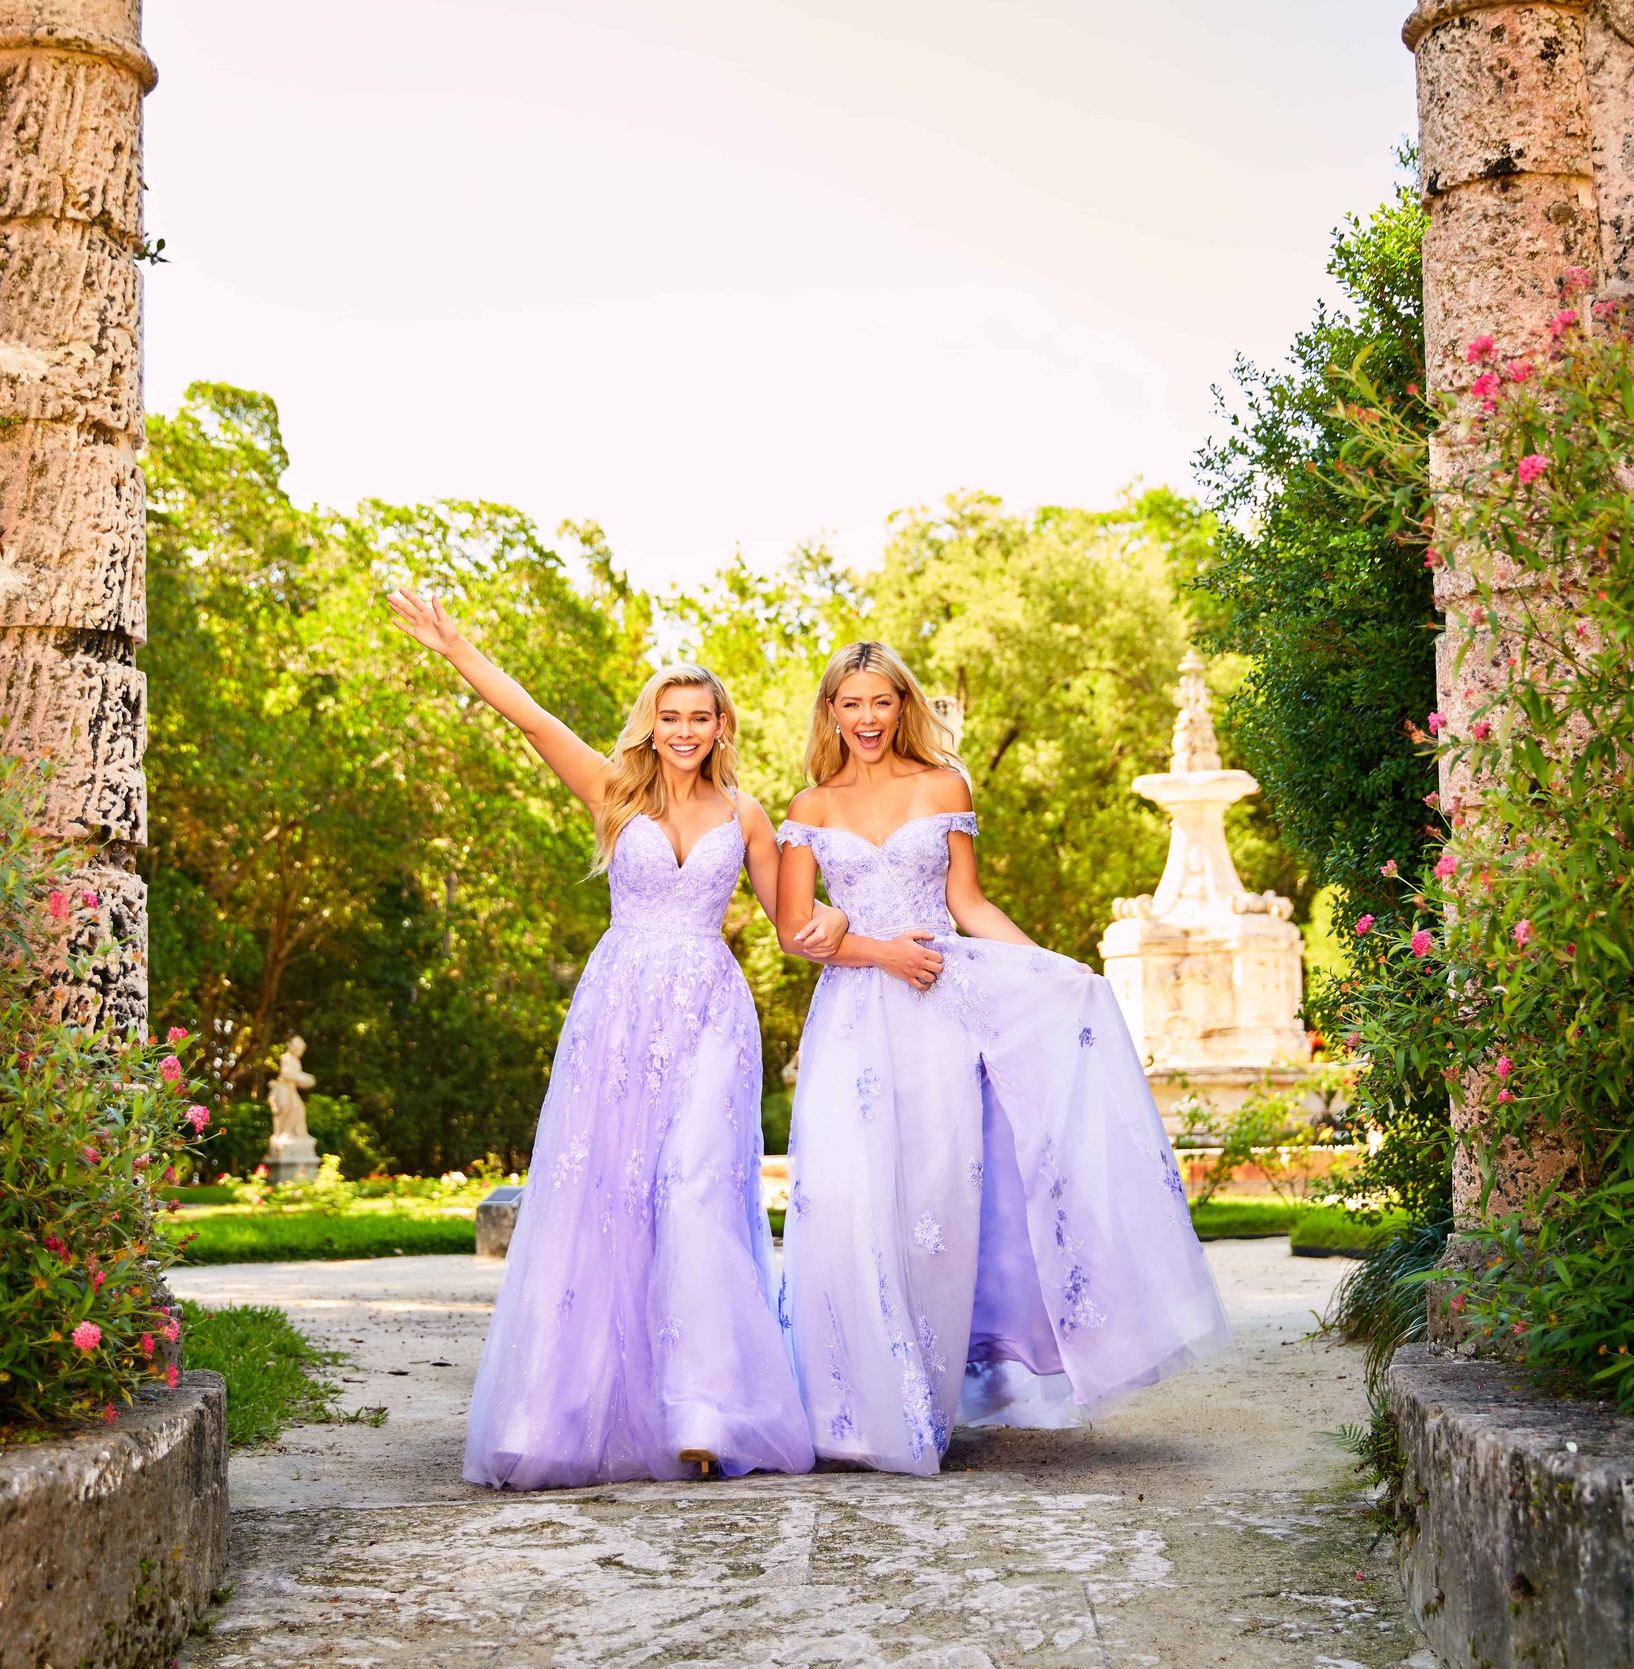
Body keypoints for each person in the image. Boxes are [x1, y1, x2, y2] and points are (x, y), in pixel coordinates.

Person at [386, 589, 846, 1489]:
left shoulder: (749, 815)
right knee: (609, 1196)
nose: (683, 730)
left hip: (713, 1012)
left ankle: (706, 1414)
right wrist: (453, 642)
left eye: (699, 716)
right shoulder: (612, 790)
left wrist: (854, 921)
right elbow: (524, 713)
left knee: (695, 1191)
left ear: (721, 725)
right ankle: (577, 1406)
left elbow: (791, 923)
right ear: (651, 725)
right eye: (669, 716)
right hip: (620, 1012)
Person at [773, 639, 1227, 1473]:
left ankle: (921, 1408)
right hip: (851, 1020)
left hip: (942, 1009)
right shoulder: (809, 805)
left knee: (933, 1206)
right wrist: (877, 951)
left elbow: (968, 903)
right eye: (852, 704)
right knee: (843, 1197)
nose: (867, 718)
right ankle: (846, 1407)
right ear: (831, 712)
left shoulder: (944, 786)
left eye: (881, 701)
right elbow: (796, 933)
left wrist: (1056, 972)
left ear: (902, 704)